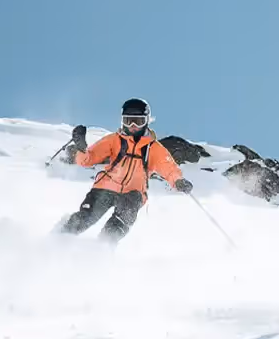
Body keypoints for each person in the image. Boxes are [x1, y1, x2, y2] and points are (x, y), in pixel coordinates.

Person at [58, 98, 193, 243]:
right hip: (106, 187)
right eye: (129, 121)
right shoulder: (114, 140)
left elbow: (168, 167)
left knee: (122, 218)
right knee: (87, 216)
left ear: (147, 121)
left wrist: (178, 180)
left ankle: (103, 246)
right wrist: (81, 148)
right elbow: (88, 159)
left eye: (138, 121)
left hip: (133, 192)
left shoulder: (153, 148)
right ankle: (59, 238)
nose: (133, 126)